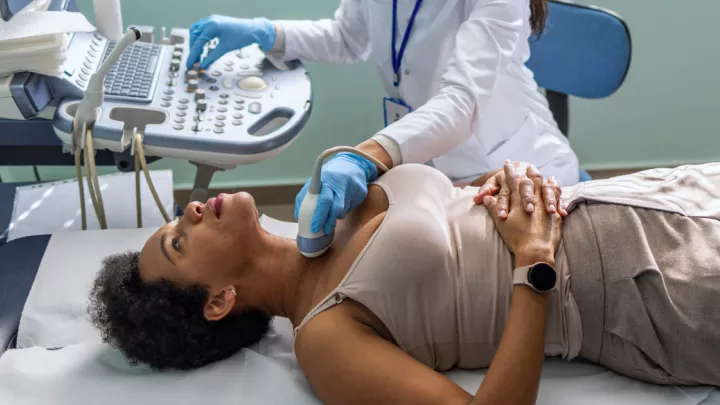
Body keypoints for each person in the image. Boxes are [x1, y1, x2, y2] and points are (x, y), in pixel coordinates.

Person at [88, 159, 720, 405]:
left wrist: (503, 180)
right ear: (219, 302)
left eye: (176, 219)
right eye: (179, 241)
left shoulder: (331, 207)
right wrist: (534, 266)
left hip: (651, 196)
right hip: (653, 291)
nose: (191, 211)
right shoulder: (325, 337)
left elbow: (451, 204)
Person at [185, 0, 581, 238]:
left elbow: (462, 103)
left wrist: (363, 156)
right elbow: (348, 37)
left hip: (517, 170)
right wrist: (269, 33)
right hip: (437, 170)